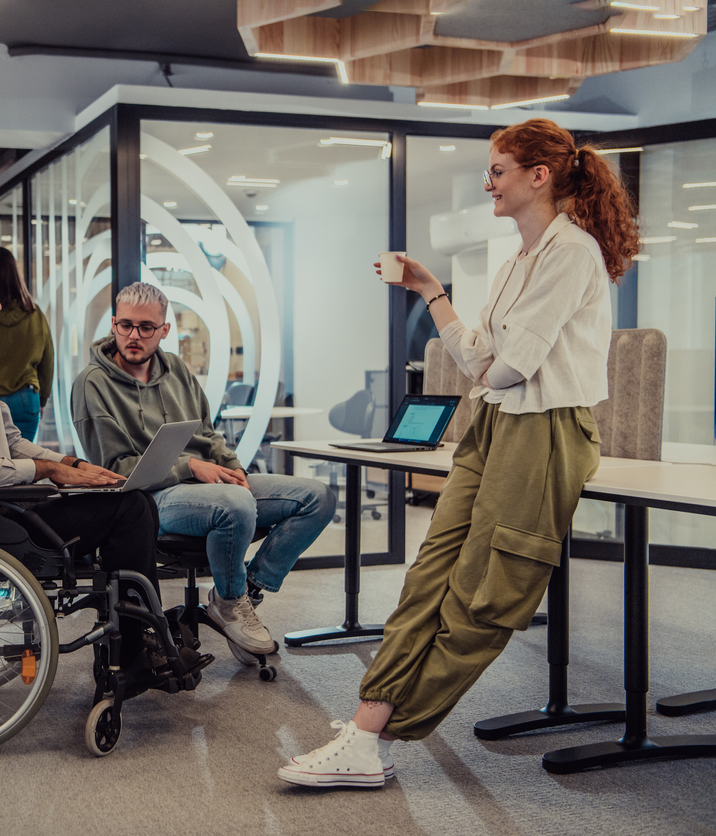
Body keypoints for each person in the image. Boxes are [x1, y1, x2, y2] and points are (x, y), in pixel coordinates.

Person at [277, 118, 639, 789]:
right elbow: (478, 356)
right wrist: (430, 292)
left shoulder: (573, 254)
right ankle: (369, 724)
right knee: (428, 578)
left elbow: (509, 366)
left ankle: (375, 728)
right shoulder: (515, 262)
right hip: (495, 425)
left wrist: (490, 363)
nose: (487, 182)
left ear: (540, 175)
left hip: (546, 431)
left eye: (498, 170)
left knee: (483, 596)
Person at [0, 248, 188, 674]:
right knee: (131, 510)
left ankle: (138, 638)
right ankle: (138, 650)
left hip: (1, 505)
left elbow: (10, 441)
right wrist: (46, 471)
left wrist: (71, 463)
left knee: (129, 499)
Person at [71, 281, 336, 662]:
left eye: (146, 327)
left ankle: (243, 593)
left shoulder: (175, 368)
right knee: (234, 504)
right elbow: (116, 472)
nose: (133, 336)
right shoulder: (91, 384)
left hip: (203, 483)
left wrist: (233, 466)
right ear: (113, 324)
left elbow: (208, 434)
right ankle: (231, 603)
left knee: (317, 498)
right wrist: (190, 465)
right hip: (147, 500)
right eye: (125, 325)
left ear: (164, 331)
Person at [0, 247, 53, 441]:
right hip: (25, 398)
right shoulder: (34, 313)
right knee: (23, 461)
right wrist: (43, 399)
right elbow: (47, 361)